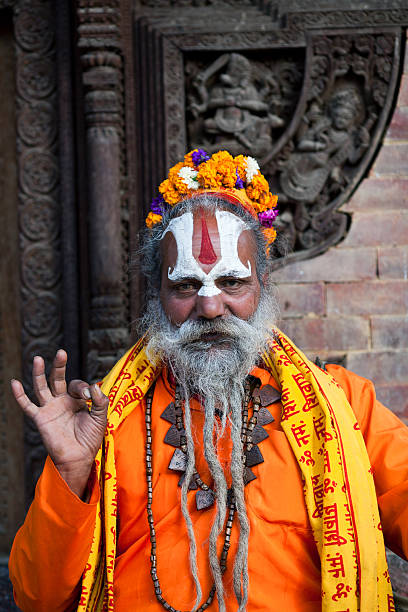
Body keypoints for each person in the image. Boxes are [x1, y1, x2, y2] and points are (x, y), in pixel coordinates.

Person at [9, 149, 408, 612]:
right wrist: (72, 472)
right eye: (185, 286)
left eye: (232, 282)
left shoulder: (344, 406)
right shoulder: (104, 423)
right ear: (157, 295)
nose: (211, 308)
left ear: (262, 286)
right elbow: (35, 598)